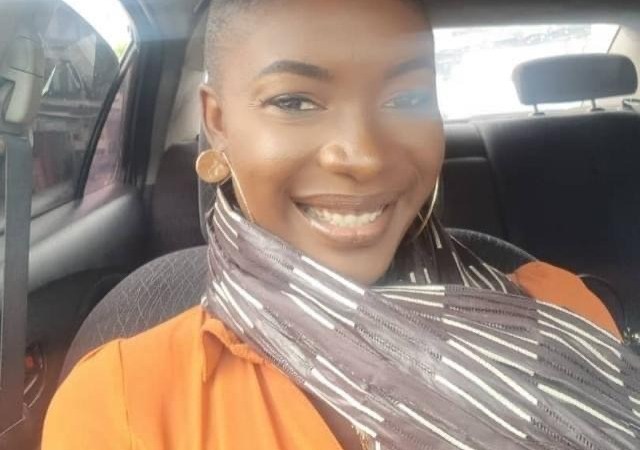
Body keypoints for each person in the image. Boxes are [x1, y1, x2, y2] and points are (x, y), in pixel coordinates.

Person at [42, 1, 639, 449]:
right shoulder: (125, 403)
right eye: (295, 102)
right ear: (218, 124)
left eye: (407, 99)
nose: (365, 156)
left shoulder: (564, 309)